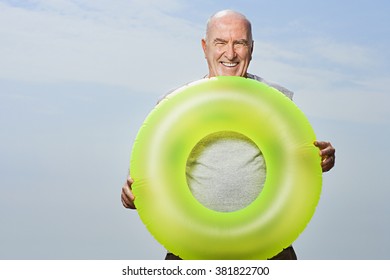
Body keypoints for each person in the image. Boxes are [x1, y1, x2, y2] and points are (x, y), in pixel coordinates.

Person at [121, 10, 336, 260]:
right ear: (205, 47)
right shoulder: (173, 105)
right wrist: (131, 194)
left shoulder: (278, 101)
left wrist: (320, 158)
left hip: (268, 246)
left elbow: (299, 163)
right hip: (191, 249)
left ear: (252, 48)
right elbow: (143, 175)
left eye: (240, 43)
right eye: (220, 42)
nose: (230, 53)